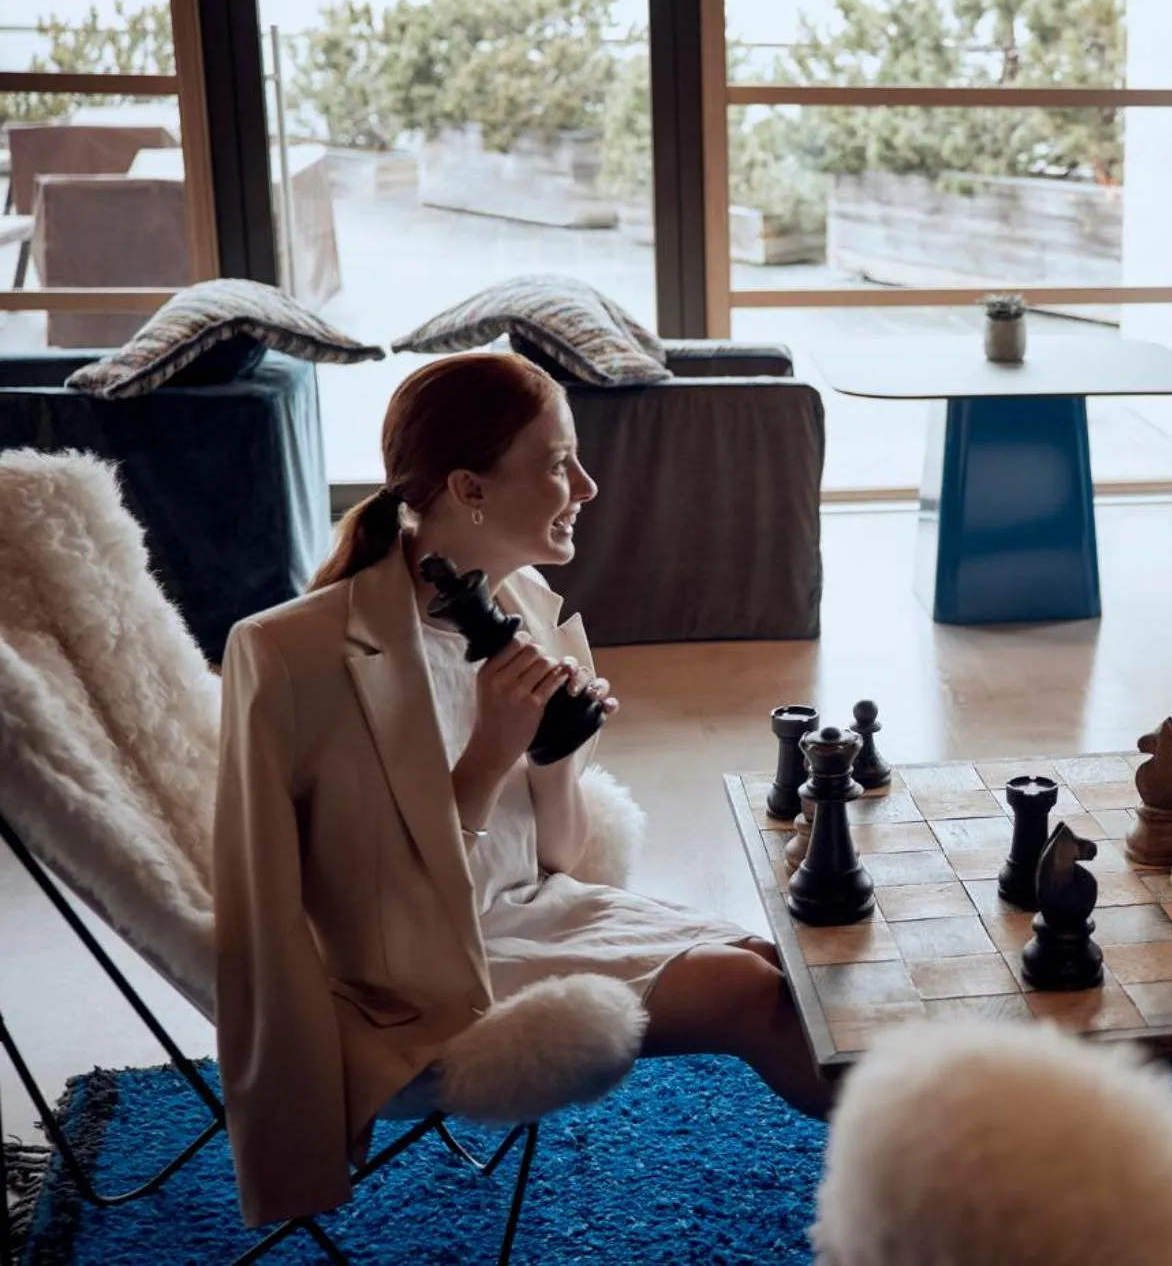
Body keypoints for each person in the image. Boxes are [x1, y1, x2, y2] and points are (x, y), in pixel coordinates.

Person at [213, 353, 832, 1228]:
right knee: (750, 995)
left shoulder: (528, 604)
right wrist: (490, 754)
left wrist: (552, 757)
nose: (586, 483)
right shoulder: (291, 654)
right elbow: (306, 907)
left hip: (535, 909)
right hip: (408, 971)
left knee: (786, 971)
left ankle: (957, 1148)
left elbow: (558, 860)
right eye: (556, 462)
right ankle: (960, 1186)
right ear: (468, 486)